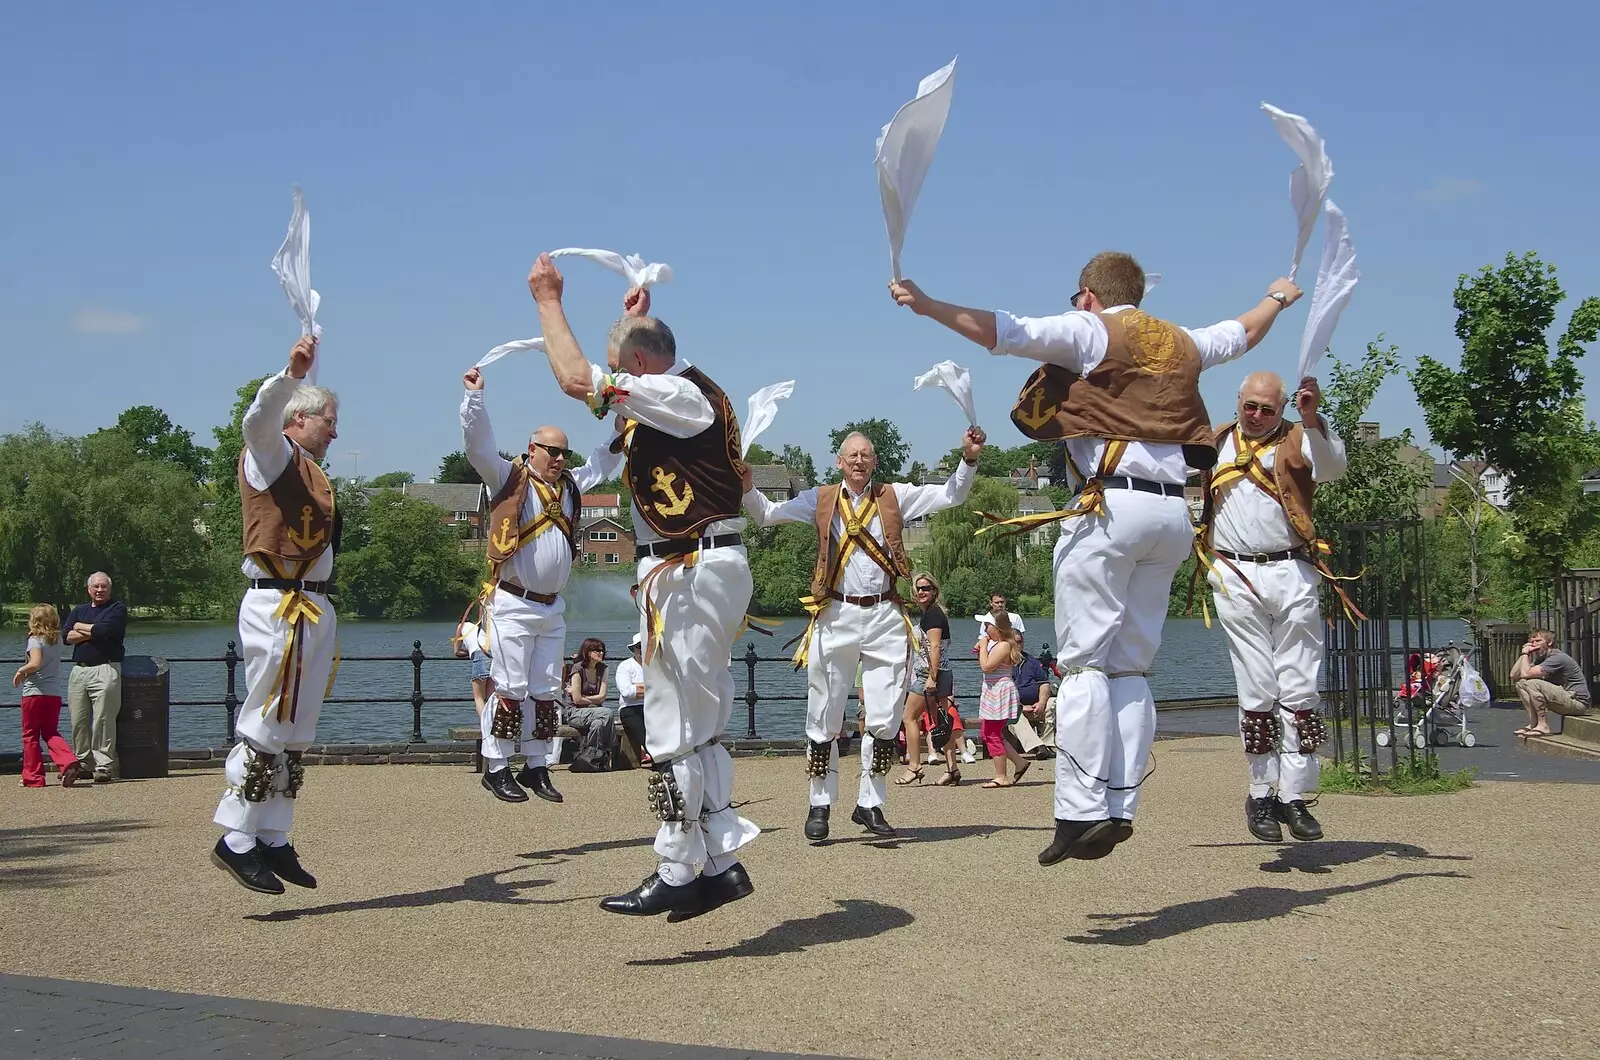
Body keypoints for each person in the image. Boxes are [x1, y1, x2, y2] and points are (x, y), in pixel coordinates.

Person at [890, 251, 1302, 865]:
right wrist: (1277, 297)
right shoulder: (1182, 342)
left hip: (1111, 511)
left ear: (1088, 295)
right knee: (1131, 669)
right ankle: (1120, 804)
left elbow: (1007, 332)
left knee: (1083, 666)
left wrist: (927, 305)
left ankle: (1078, 812)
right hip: (1173, 518)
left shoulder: (1092, 329)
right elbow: (1242, 333)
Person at [531, 253, 758, 920]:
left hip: (688, 568)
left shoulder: (680, 396)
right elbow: (616, 425)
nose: (619, 385)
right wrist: (629, 329)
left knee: (672, 724)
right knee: (702, 724)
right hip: (700, 566)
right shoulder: (681, 396)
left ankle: (677, 866)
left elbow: (578, 379)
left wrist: (548, 300)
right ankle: (720, 863)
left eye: (627, 369)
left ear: (644, 365)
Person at [742, 427, 982, 840]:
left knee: (887, 718)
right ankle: (819, 804)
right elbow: (766, 513)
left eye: (866, 456)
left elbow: (951, 495)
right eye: (851, 455)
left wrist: (970, 459)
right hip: (834, 614)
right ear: (839, 462)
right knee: (824, 713)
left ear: (874, 461)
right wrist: (746, 486)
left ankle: (870, 804)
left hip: (886, 615)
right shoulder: (820, 499)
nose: (858, 461)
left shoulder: (895, 495)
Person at [212, 336, 340, 895]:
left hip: (310, 602)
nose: (336, 430)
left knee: (295, 728)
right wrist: (289, 373)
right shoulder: (271, 455)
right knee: (267, 719)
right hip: (278, 601)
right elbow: (257, 419)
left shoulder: (308, 467)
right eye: (329, 420)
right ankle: (236, 836)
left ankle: (273, 834)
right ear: (300, 419)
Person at [1199, 371, 1346, 843]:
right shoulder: (1215, 440)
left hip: (1292, 570)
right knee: (1257, 686)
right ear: (1238, 401)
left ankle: (1296, 796)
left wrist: (1312, 418)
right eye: (1251, 406)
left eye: (1269, 408)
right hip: (1235, 573)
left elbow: (1332, 470)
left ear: (1282, 408)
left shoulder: (1300, 437)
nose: (1259, 416)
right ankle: (1261, 791)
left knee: (1301, 688)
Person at [460, 365, 618, 805]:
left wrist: (621, 420)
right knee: (508, 687)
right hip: (512, 601)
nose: (560, 459)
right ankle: (495, 766)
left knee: (546, 689)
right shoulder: (508, 479)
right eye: (552, 451)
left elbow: (601, 464)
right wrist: (474, 399)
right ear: (532, 449)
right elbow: (478, 447)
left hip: (551, 607)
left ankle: (535, 765)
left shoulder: (569, 486)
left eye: (564, 452)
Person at [897, 571, 961, 787]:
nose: (921, 592)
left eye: (926, 588)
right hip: (943, 671)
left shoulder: (933, 615)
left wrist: (932, 678)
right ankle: (952, 769)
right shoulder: (931, 613)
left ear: (934, 591)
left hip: (930, 672)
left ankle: (914, 766)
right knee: (943, 722)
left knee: (909, 718)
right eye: (918, 588)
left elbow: (934, 646)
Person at [63, 571, 127, 783]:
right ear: (89, 589)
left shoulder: (117, 609)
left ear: (109, 588)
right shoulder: (79, 609)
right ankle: (82, 763)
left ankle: (103, 765)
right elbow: (66, 636)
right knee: (78, 720)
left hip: (105, 669)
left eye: (103, 586)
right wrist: (92, 631)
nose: (100, 590)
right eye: (96, 587)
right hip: (79, 670)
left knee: (103, 719)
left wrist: (79, 627)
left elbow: (105, 631)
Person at [14, 604, 81, 788]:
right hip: (53, 694)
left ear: (34, 620)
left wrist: (21, 671)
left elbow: (34, 663)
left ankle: (33, 777)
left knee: (30, 735)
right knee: (50, 732)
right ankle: (67, 760)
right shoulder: (58, 639)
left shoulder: (35, 640)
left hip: (34, 693)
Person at [977, 613, 1032, 788]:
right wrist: (984, 646)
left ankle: (1001, 776)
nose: (985, 629)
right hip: (993, 689)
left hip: (1000, 690)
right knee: (988, 732)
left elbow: (986, 666)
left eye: (988, 626)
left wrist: (984, 646)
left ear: (997, 627)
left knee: (992, 733)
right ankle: (1020, 762)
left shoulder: (1003, 646)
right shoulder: (998, 645)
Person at [1512, 629, 1592, 737]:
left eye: (1538, 641)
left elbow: (1526, 673)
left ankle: (1543, 725)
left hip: (1577, 703)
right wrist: (1524, 654)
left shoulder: (1557, 657)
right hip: (1564, 698)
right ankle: (1533, 723)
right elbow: (1514, 675)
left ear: (1549, 642)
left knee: (1532, 683)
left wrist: (1526, 653)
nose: (1534, 644)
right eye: (1532, 642)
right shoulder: (1542, 658)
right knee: (1520, 684)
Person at [565, 638, 616, 773]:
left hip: (595, 712)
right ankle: (609, 750)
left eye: (602, 650)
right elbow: (576, 700)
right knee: (608, 713)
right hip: (575, 713)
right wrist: (592, 699)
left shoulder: (603, 669)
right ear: (588, 652)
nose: (601, 653)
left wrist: (585, 698)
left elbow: (602, 697)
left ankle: (590, 758)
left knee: (598, 724)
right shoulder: (578, 669)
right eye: (597, 650)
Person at [1012, 647, 1055, 757]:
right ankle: (1037, 746)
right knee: (1013, 712)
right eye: (1015, 642)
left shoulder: (1030, 660)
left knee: (1054, 703)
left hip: (1036, 703)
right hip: (1015, 704)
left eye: (1020, 642)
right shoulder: (1002, 662)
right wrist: (1021, 706)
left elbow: (1044, 683)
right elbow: (1002, 691)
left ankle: (1048, 744)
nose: (1018, 645)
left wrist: (1041, 702)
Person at [615, 633, 648, 766]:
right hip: (630, 709)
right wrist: (653, 689)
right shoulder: (625, 666)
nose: (642, 650)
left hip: (653, 707)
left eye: (645, 646)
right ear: (634, 649)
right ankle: (661, 761)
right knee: (643, 732)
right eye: (639, 647)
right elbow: (626, 692)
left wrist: (638, 688)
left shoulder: (656, 666)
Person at [453, 619, 493, 721]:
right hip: (492, 655)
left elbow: (456, 651)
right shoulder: (478, 627)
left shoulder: (461, 626)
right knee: (491, 698)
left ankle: (486, 726)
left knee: (479, 698)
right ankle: (494, 725)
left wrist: (468, 652)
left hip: (479, 655)